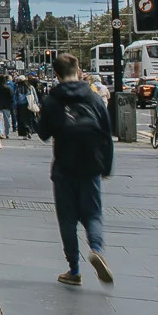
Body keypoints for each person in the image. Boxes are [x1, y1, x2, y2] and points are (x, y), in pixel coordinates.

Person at [38, 53, 115, 287]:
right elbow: (106, 134)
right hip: (91, 165)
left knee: (67, 219)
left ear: (56, 73)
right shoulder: (93, 98)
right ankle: (97, 249)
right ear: (78, 69)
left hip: (64, 167)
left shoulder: (52, 100)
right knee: (92, 213)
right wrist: (106, 166)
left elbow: (43, 134)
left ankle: (74, 269)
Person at [0, 73, 15, 138]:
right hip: (6, 106)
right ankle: (7, 133)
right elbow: (11, 96)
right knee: (7, 120)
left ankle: (0, 132)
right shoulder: (8, 88)